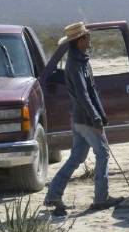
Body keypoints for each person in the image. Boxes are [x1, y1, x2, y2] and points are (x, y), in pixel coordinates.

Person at [44, 22, 123, 215]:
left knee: (77, 157)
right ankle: (101, 198)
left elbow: (91, 91)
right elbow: (82, 94)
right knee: (103, 154)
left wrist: (101, 114)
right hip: (85, 119)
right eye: (87, 36)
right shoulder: (75, 64)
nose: (89, 39)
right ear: (80, 41)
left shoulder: (81, 61)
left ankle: (54, 194)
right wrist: (95, 118)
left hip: (80, 118)